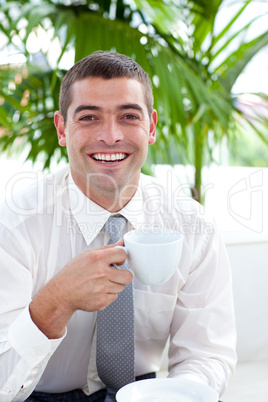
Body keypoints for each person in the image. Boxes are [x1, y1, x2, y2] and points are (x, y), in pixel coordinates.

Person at [0, 51, 236, 401]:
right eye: (89, 117)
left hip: (146, 392)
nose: (110, 136)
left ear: (151, 127)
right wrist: (56, 300)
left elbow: (206, 355)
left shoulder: (194, 227)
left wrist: (182, 393)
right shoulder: (14, 227)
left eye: (128, 116)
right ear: (62, 129)